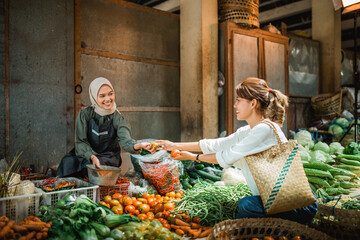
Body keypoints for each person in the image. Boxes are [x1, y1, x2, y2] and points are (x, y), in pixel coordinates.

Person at [156, 77, 317, 224]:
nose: (235, 105)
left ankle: (279, 230)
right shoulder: (248, 131)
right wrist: (174, 145)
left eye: (239, 100)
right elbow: (217, 144)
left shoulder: (265, 130)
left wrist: (194, 157)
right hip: (276, 201)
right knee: (246, 206)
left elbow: (226, 156)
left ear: (253, 103)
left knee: (246, 205)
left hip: (299, 205)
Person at [57, 77, 156, 178]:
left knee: (98, 169)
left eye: (110, 93)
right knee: (68, 162)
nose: (108, 99)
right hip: (88, 153)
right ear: (94, 97)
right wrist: (91, 156)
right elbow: (80, 142)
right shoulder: (85, 115)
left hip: (108, 156)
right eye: (102, 96)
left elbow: (126, 141)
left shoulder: (119, 119)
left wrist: (139, 145)